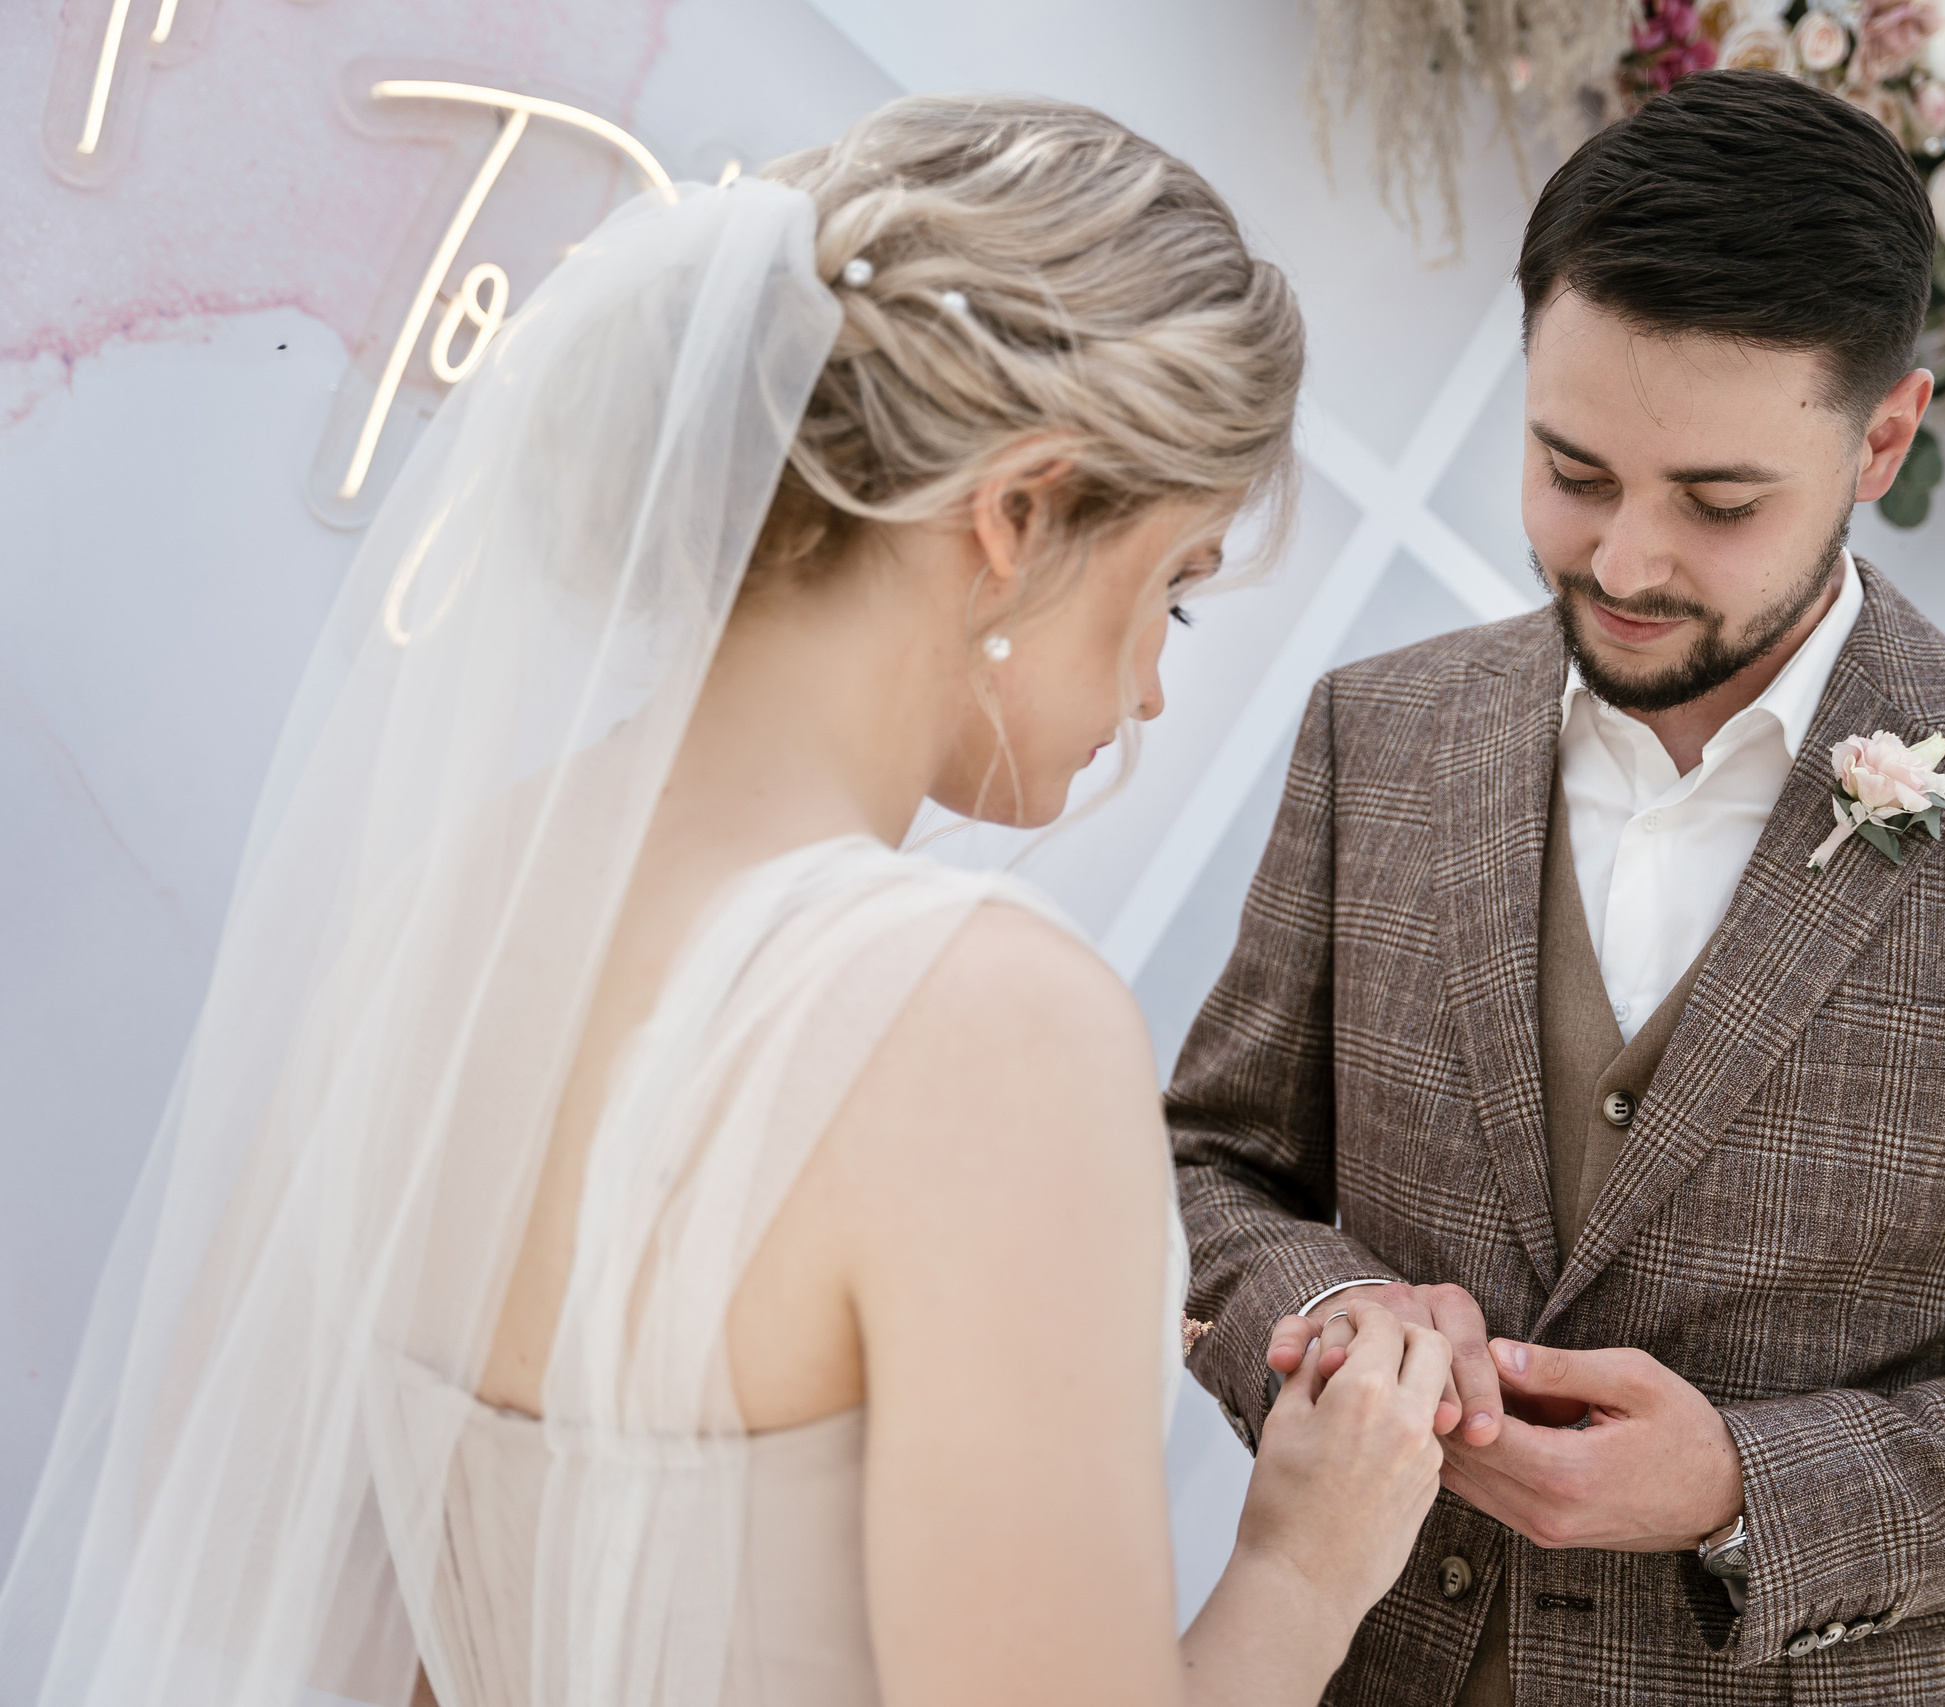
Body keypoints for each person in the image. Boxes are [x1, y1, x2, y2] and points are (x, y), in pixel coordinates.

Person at [0, 96, 1454, 1707]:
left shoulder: (456, 902)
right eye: (1175, 586)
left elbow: (305, 1596)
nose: (1158, 688)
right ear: (1022, 511)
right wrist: (1306, 1563)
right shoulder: (980, 1027)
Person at [1173, 69, 1945, 1706]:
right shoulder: (1378, 732)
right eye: (1571, 471)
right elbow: (1219, 1158)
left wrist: (1746, 1483)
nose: (1625, 562)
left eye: (1717, 503)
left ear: (1884, 440)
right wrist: (1332, 1308)